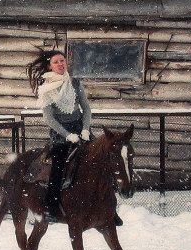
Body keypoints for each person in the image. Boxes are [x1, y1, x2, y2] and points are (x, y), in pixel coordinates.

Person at [27, 49, 123, 225]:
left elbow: (86, 109)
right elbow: (49, 118)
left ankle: (111, 209)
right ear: (49, 66)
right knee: (58, 166)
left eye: (62, 60)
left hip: (81, 129)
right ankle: (52, 207)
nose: (60, 64)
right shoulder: (46, 89)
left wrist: (85, 129)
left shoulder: (75, 84)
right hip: (60, 134)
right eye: (56, 62)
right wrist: (67, 135)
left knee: (104, 159)